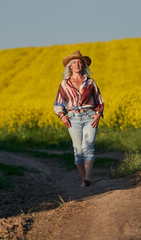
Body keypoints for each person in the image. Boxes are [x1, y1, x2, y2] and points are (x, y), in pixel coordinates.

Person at [54, 50, 104, 187]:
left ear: (84, 66)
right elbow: (58, 102)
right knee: (78, 149)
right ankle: (83, 180)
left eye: (80, 62)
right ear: (70, 66)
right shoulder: (64, 84)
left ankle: (88, 177)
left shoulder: (90, 82)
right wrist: (62, 116)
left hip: (89, 116)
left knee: (88, 146)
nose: (77, 64)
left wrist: (98, 114)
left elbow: (99, 100)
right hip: (73, 118)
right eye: (74, 62)